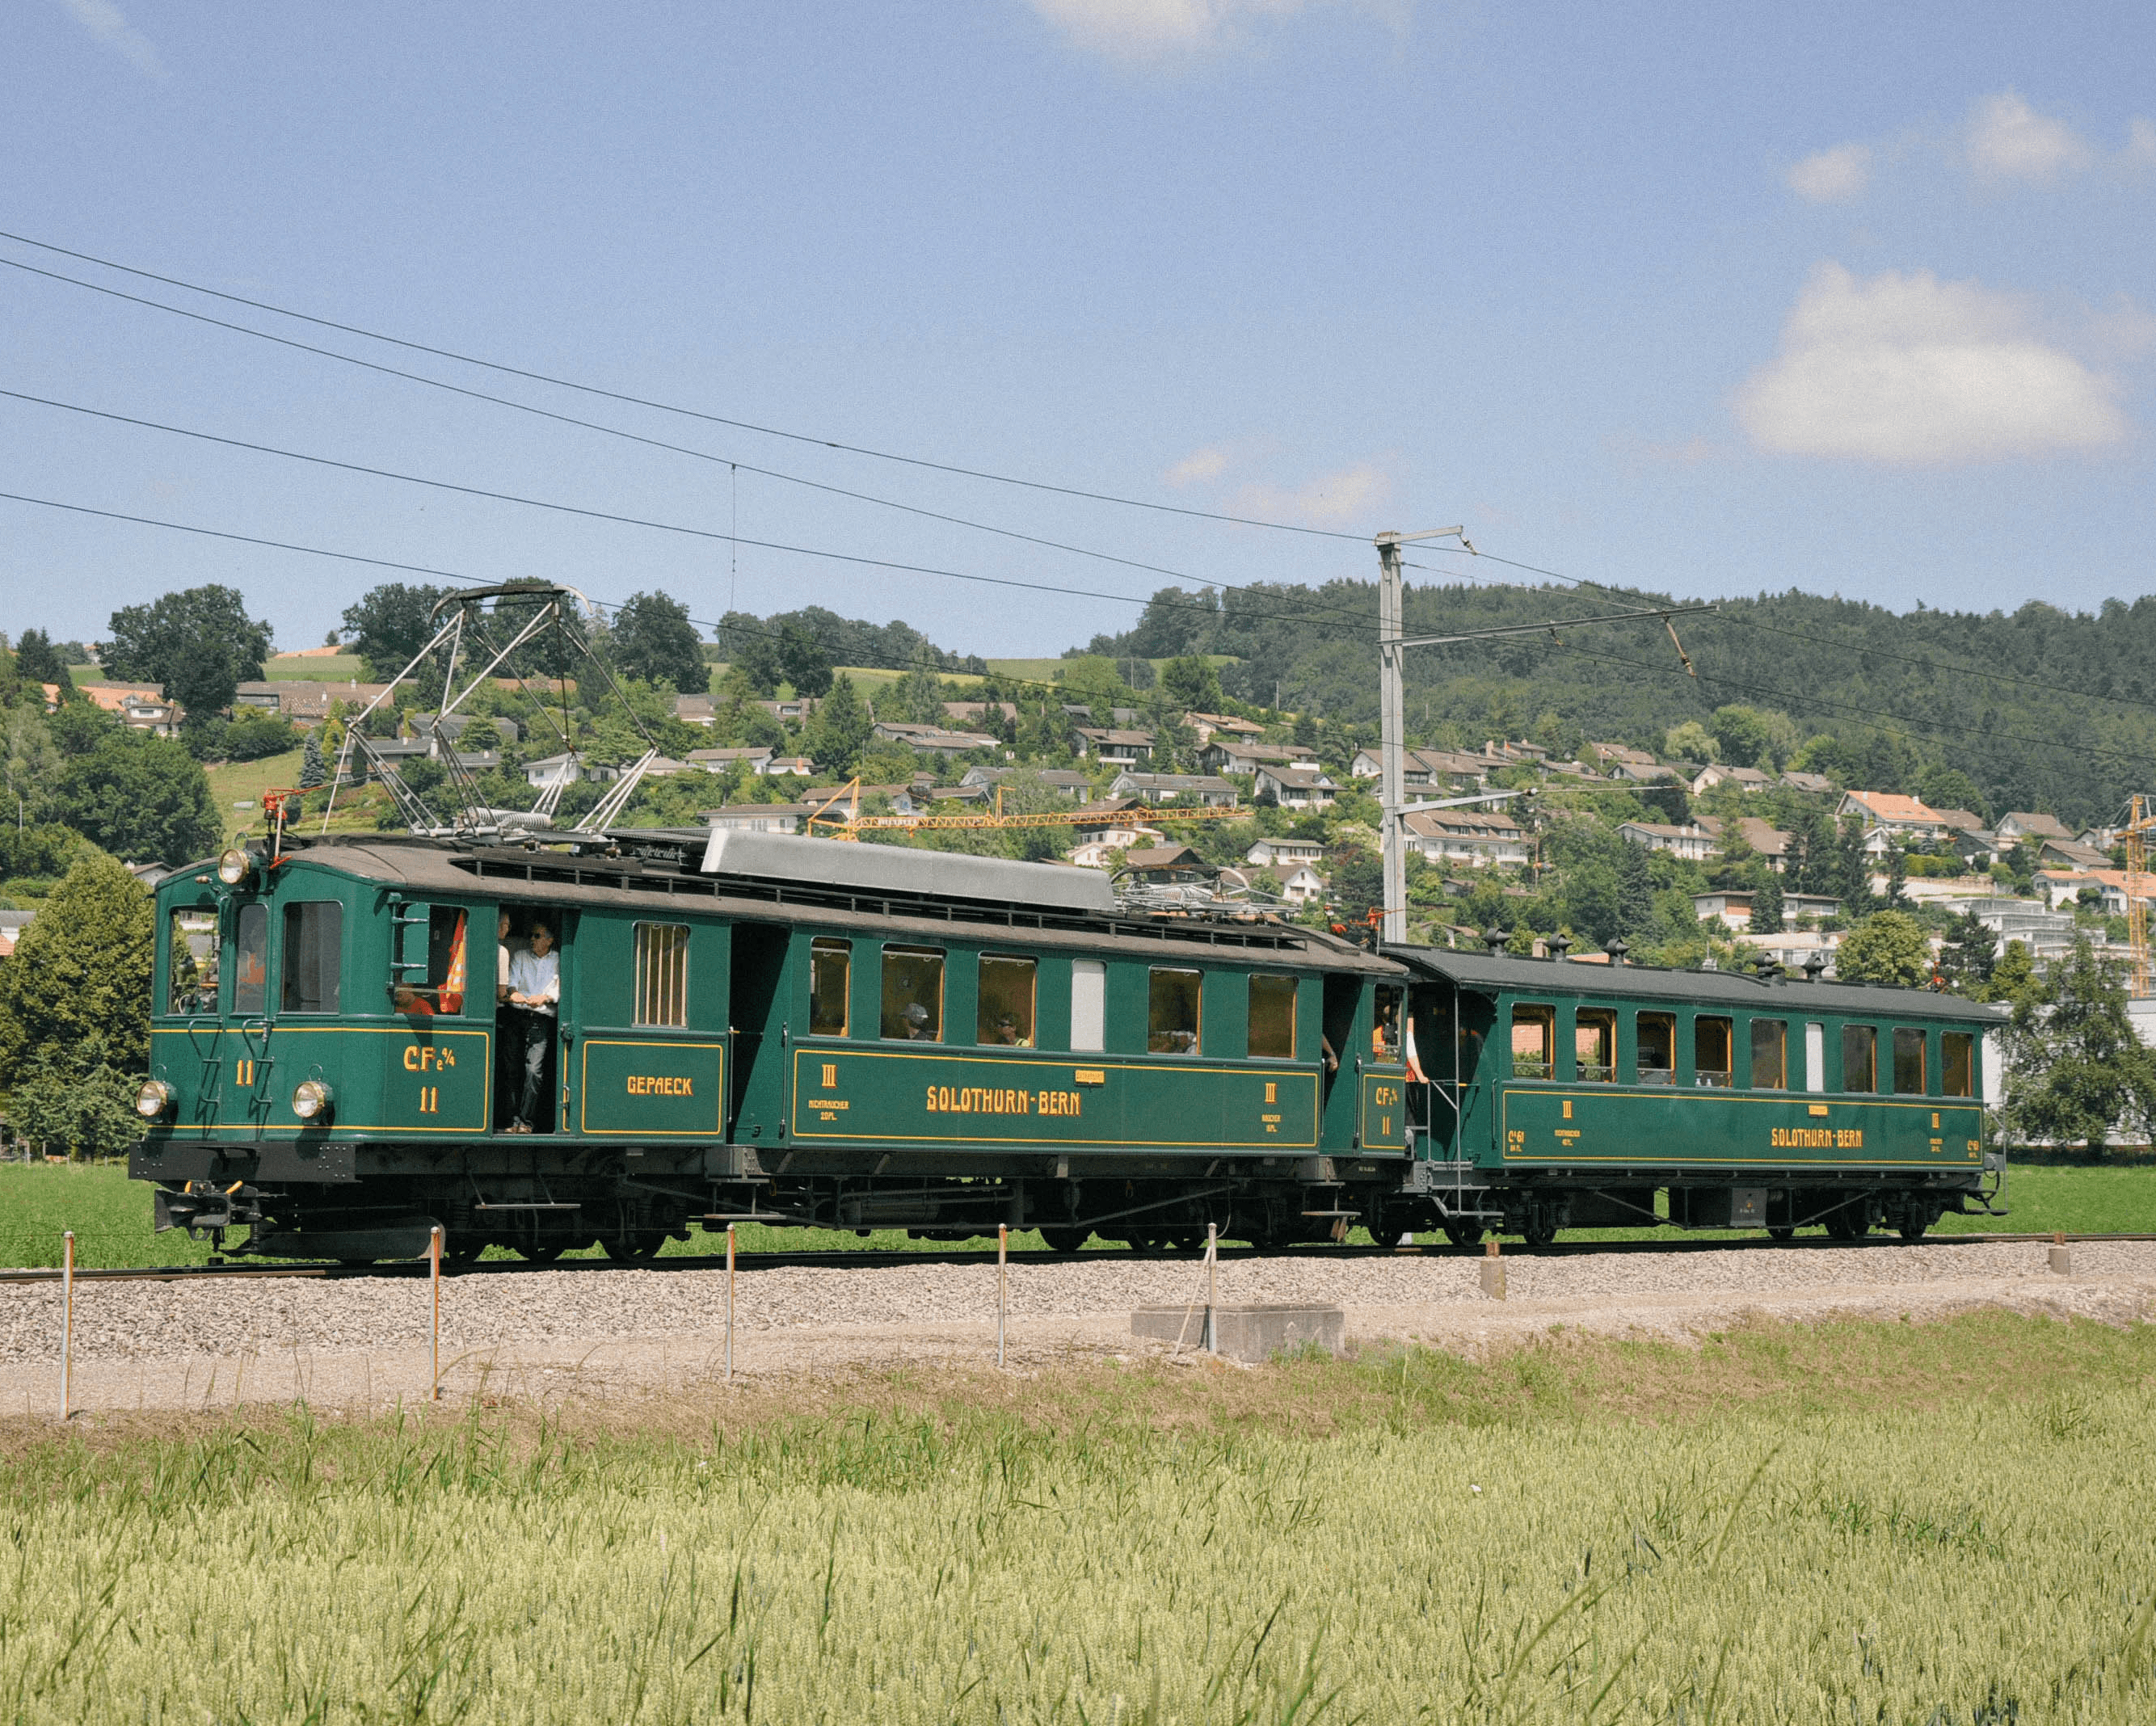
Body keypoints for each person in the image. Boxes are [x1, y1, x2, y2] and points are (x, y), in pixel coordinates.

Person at [506, 922, 559, 1132]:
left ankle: (526, 1123)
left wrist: (545, 997)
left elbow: (559, 988)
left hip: (541, 1020)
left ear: (549, 940)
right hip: (517, 1016)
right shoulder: (520, 956)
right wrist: (514, 993)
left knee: (533, 1072)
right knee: (512, 1070)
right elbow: (512, 983)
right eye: (531, 935)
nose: (532, 940)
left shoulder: (558, 960)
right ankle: (512, 1121)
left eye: (537, 936)